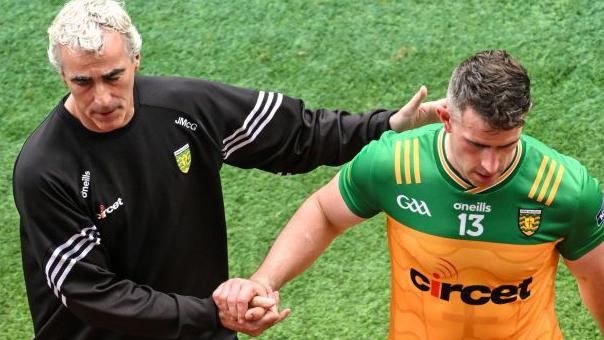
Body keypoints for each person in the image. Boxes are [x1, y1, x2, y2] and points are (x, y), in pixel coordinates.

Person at [11, 0, 442, 339]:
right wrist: (214, 313)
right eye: (82, 83)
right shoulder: (46, 169)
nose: (102, 97)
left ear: (136, 60)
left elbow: (297, 135)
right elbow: (92, 294)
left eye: (113, 76)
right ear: (63, 76)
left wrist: (385, 126)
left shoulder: (184, 108)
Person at [214, 50, 604, 339]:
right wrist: (265, 281)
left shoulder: (564, 189)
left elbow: (596, 281)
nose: (491, 165)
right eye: (476, 145)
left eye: (505, 146)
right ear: (447, 118)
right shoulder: (395, 163)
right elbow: (325, 212)